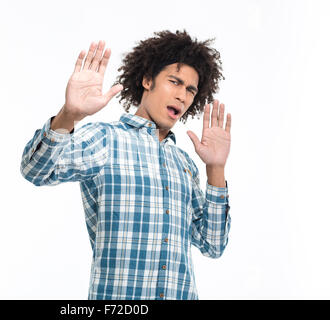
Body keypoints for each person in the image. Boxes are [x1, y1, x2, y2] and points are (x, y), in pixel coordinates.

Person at [20, 30, 231, 300]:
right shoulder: (106, 140)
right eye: (174, 82)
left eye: (190, 89)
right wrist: (68, 115)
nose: (182, 96)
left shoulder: (185, 164)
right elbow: (35, 170)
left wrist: (215, 170)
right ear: (146, 80)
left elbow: (212, 244)